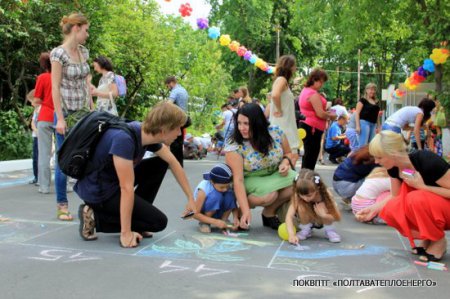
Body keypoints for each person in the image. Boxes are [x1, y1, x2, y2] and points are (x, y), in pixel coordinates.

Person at [75, 101, 196, 248]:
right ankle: (95, 217)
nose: (179, 133)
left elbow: (173, 162)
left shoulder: (145, 134)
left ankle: (137, 220)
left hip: (112, 182)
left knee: (161, 162)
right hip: (98, 191)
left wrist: (190, 198)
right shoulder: (124, 140)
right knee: (157, 222)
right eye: (177, 128)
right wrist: (126, 233)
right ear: (164, 129)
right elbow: (126, 188)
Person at [356, 130, 450, 262]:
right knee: (391, 208)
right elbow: (395, 196)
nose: (376, 162)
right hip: (434, 206)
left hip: (445, 207)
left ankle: (438, 241)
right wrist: (373, 209)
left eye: (379, 157)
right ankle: (428, 238)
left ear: (393, 153)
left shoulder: (426, 160)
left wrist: (423, 187)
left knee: (415, 198)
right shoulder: (394, 168)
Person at [225, 103, 297, 230]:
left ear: (258, 122)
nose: (242, 128)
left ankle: (269, 213)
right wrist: (247, 210)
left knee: (299, 184)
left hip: (275, 173)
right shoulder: (235, 144)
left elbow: (289, 153)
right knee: (269, 196)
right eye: (239, 123)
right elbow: (238, 180)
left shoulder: (276, 132)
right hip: (250, 178)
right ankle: (243, 210)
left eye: (246, 123)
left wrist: (285, 162)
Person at [51, 13, 92, 221]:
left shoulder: (84, 52)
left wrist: (92, 111)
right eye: (86, 30)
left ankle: (91, 203)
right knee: (63, 161)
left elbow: (87, 85)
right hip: (65, 114)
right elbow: (55, 87)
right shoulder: (59, 54)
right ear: (76, 28)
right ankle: (62, 205)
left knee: (89, 158)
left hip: (84, 114)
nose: (87, 34)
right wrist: (59, 118)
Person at [285, 169, 342, 244]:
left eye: (309, 195)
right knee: (301, 206)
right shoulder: (297, 196)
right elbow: (289, 216)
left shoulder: (326, 195)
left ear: (317, 189)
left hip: (322, 217)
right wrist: (291, 235)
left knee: (323, 206)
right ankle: (306, 229)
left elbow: (336, 217)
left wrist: (324, 215)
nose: (305, 198)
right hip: (307, 217)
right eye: (301, 195)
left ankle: (329, 230)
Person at [298, 68, 336, 170]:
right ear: (314, 79)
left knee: (308, 157)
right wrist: (331, 116)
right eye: (320, 81)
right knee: (310, 158)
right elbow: (320, 114)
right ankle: (306, 181)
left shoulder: (305, 90)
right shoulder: (313, 94)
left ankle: (304, 180)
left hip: (308, 126)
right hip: (312, 128)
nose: (321, 84)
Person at [269, 54, 300, 165]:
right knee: (291, 159)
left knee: (286, 160)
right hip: (284, 127)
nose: (295, 68)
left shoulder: (279, 80)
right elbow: (275, 95)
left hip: (281, 126)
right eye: (294, 65)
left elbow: (271, 99)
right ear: (289, 66)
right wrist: (279, 109)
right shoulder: (282, 80)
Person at [193, 163, 239, 233]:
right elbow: (195, 214)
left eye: (227, 186)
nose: (225, 189)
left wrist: (235, 218)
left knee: (230, 194)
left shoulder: (227, 186)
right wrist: (215, 222)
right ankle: (205, 222)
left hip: (218, 208)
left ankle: (224, 220)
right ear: (212, 182)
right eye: (222, 187)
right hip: (205, 212)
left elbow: (233, 203)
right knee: (215, 195)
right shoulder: (203, 190)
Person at [33, 52, 54, 194]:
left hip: (45, 116)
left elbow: (36, 100)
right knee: (63, 152)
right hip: (61, 117)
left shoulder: (42, 78)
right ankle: (65, 185)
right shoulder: (62, 77)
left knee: (44, 153)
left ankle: (45, 186)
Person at [165, 76, 189, 167]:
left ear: (171, 83)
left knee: (173, 141)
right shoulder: (183, 90)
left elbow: (169, 104)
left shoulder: (175, 91)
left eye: (167, 86)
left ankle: (173, 163)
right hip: (183, 117)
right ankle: (179, 163)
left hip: (177, 118)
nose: (168, 88)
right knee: (179, 141)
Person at [354, 83, 380, 147]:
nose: (373, 91)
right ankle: (360, 157)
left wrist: (379, 126)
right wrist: (357, 126)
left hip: (373, 124)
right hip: (364, 123)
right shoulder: (362, 100)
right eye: (371, 89)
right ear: (366, 90)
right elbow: (357, 113)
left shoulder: (376, 101)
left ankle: (367, 157)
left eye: (374, 90)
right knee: (363, 145)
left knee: (371, 145)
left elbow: (377, 115)